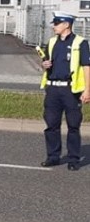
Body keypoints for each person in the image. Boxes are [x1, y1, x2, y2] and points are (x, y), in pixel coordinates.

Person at [39, 11, 90, 170]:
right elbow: (47, 62)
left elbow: (86, 67)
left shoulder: (80, 43)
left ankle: (73, 159)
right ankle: (53, 156)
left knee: (73, 126)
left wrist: (87, 90)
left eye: (57, 23)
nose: (54, 26)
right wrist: (44, 65)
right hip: (53, 88)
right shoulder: (52, 42)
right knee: (51, 125)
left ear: (66, 25)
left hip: (70, 90)